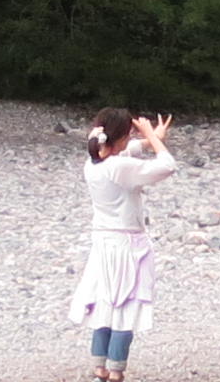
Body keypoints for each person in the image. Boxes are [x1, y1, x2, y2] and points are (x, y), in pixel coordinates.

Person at [66, 110, 178, 381]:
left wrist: (152, 140)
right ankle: (116, 370)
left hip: (103, 242)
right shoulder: (118, 168)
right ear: (121, 138)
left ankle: (99, 366)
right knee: (125, 307)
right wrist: (152, 136)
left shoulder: (93, 164)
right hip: (126, 245)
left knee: (105, 303)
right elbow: (167, 165)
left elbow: (126, 152)